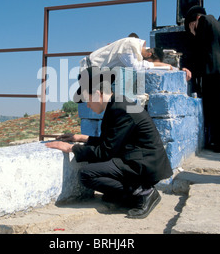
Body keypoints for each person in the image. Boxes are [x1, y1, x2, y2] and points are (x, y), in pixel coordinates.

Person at [46, 66, 173, 219]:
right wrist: (80, 138)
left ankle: (144, 193)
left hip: (143, 165)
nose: (87, 105)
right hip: (142, 160)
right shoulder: (118, 104)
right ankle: (125, 195)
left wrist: (72, 148)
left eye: (87, 100)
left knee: (87, 174)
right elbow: (113, 140)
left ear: (98, 94)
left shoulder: (120, 109)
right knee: (97, 169)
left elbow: (106, 151)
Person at [183, 5, 220, 152]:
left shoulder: (203, 22)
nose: (192, 28)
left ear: (195, 20)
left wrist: (193, 33)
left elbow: (200, 48)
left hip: (210, 71)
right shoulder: (217, 24)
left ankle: (218, 142)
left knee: (212, 107)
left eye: (191, 25)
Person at [79, 36, 172, 71]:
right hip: (89, 69)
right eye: (149, 61)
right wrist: (156, 64)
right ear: (149, 55)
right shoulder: (130, 46)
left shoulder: (139, 48)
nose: (144, 62)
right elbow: (135, 67)